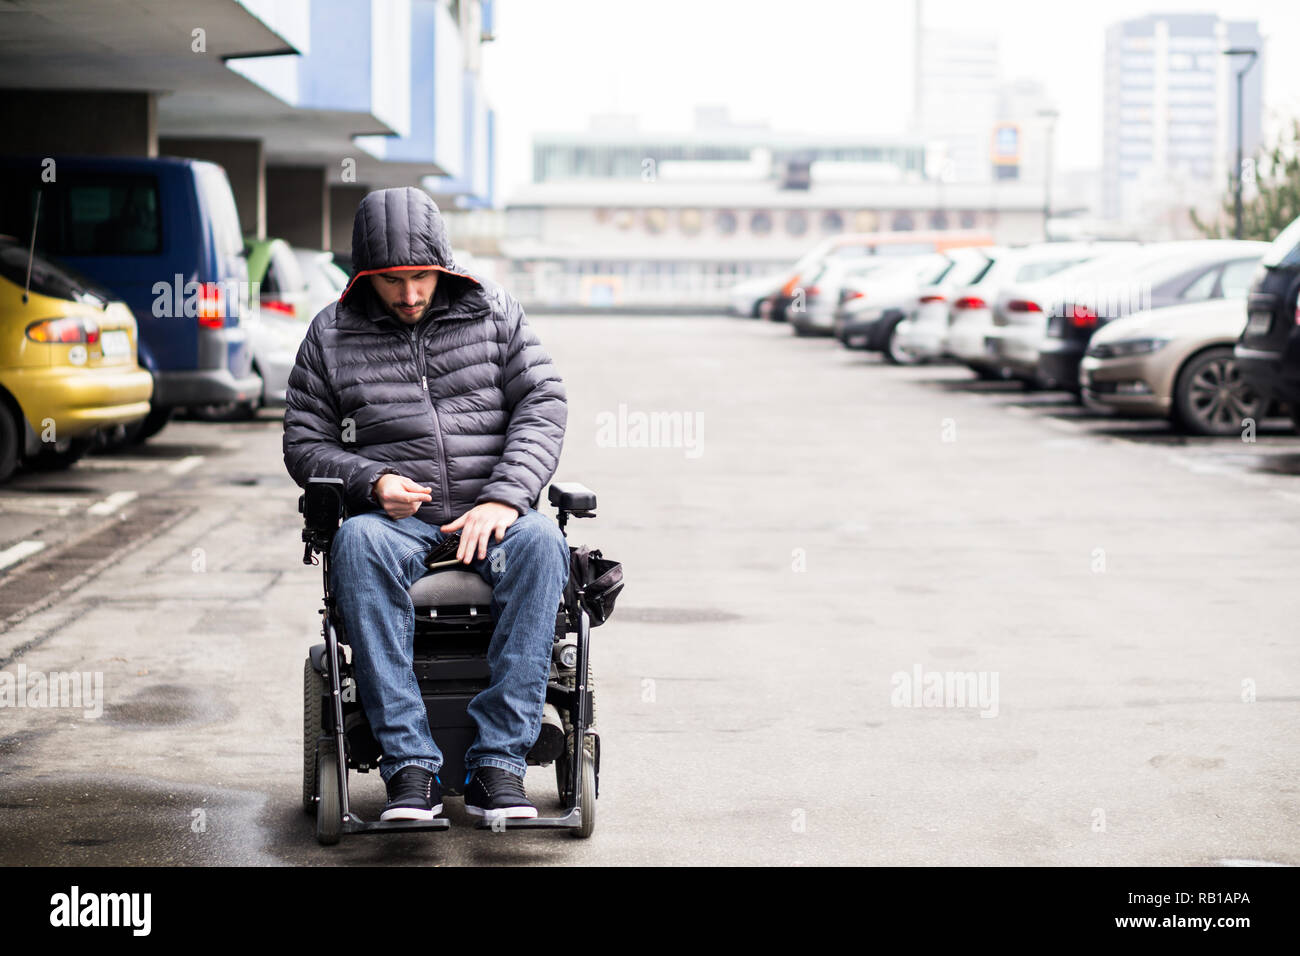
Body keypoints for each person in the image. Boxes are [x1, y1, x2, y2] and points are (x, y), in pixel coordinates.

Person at [282, 186, 569, 822]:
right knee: (355, 541)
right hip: (395, 523)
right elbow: (304, 442)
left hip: (490, 515)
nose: (409, 295)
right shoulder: (330, 334)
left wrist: (505, 496)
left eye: (420, 278)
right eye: (391, 282)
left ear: (443, 266)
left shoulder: (494, 313)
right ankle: (410, 765)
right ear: (364, 277)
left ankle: (500, 763)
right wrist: (372, 481)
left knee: (545, 542)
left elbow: (543, 403)